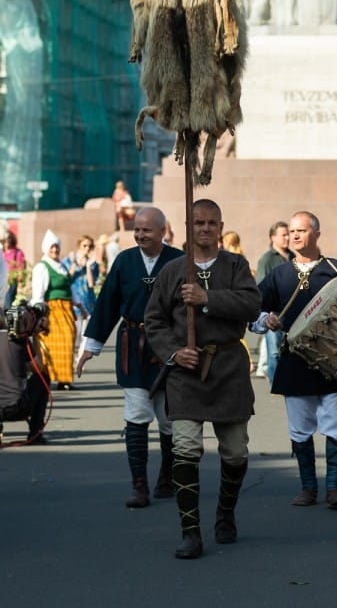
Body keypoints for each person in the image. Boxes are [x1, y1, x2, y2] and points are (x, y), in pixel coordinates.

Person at [144, 199, 262, 559]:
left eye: (212, 223)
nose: (205, 228)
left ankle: (225, 514)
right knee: (185, 448)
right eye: (199, 223)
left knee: (235, 452)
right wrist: (175, 352)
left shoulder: (236, 265)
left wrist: (208, 298)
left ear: (220, 227)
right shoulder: (173, 271)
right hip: (186, 371)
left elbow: (251, 306)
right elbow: (154, 320)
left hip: (228, 368)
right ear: (188, 226)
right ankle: (190, 530)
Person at [255, 211, 337, 510]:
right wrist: (265, 319)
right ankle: (308, 487)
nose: (295, 235)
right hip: (295, 362)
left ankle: (334, 488)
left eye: (302, 230)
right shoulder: (279, 275)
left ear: (317, 234)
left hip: (336, 361)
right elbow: (254, 311)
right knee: (300, 428)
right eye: (292, 231)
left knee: (336, 426)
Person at [77, 207, 184, 507]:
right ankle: (139, 485)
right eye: (136, 229)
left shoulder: (178, 261)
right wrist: (91, 346)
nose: (139, 235)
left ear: (162, 231)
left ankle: (167, 475)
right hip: (133, 347)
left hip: (169, 346)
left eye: (146, 230)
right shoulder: (124, 261)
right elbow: (107, 303)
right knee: (137, 413)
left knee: (169, 419)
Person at [0, 300, 50, 444]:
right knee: (43, 379)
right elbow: (38, 368)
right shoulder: (20, 342)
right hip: (17, 408)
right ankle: (35, 433)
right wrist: (35, 335)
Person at [30, 231, 75, 389]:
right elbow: (38, 293)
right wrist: (40, 314)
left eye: (56, 247)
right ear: (46, 248)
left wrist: (78, 306)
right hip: (52, 309)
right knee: (51, 344)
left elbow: (69, 288)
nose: (55, 250)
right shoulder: (42, 267)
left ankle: (65, 379)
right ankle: (46, 377)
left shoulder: (61, 265)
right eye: (52, 247)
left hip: (66, 309)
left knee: (68, 343)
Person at [253, 221, 292, 382]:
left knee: (290, 350)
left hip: (292, 313)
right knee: (274, 350)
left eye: (287, 234)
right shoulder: (267, 259)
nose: (287, 238)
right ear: (273, 237)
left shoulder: (293, 257)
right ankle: (276, 383)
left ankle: (288, 382)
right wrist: (266, 312)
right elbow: (261, 286)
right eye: (283, 235)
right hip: (274, 313)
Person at [4, 231, 26, 309]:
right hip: (2, 281)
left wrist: (20, 281)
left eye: (8, 239)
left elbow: (21, 267)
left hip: (11, 281)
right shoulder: (1, 252)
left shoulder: (17, 252)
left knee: (9, 301)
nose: (7, 242)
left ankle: (9, 317)